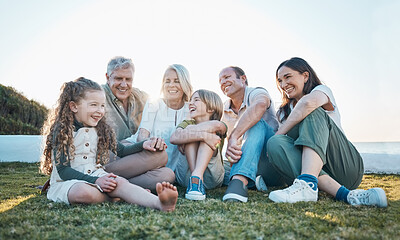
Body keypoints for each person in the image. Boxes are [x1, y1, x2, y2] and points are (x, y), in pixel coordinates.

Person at [39, 77, 178, 211]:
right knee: (82, 192)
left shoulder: (101, 129)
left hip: (97, 174)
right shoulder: (62, 130)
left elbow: (122, 150)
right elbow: (64, 171)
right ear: (74, 106)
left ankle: (160, 204)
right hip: (69, 182)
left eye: (102, 106)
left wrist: (142, 144)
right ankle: (120, 196)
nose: (100, 111)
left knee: (120, 183)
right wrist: (96, 181)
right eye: (93, 105)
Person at [267, 57, 387, 207]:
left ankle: (308, 181)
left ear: (305, 76)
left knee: (310, 110)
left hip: (344, 167)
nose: (283, 84)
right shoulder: (283, 113)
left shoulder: (321, 91)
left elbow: (308, 104)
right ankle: (340, 193)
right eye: (280, 81)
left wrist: (281, 132)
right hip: (316, 175)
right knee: (274, 143)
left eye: (288, 77)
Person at [102, 57, 175, 192]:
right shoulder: (98, 95)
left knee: (167, 175)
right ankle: (95, 176)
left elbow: (167, 101)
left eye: (128, 79)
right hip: (108, 155)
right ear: (107, 77)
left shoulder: (140, 97)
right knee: (161, 157)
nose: (124, 85)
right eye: (118, 78)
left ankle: (115, 186)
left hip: (132, 157)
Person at [218, 66, 284, 202]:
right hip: (246, 161)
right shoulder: (224, 109)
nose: (222, 82)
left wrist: (234, 136)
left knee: (256, 123)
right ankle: (253, 180)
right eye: (220, 81)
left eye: (226, 77)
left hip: (270, 160)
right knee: (215, 168)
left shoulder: (256, 92)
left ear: (243, 79)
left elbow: (260, 105)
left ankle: (239, 181)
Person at [125, 64, 193, 171]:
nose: (171, 85)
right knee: (110, 156)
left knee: (166, 176)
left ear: (185, 83)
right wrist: (151, 143)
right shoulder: (154, 103)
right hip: (139, 152)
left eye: (177, 81)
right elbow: (141, 136)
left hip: (164, 167)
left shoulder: (190, 109)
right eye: (167, 81)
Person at [170, 89, 227, 200]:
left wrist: (186, 135)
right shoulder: (187, 124)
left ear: (210, 108)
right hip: (186, 176)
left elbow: (217, 125)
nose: (190, 103)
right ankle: (195, 179)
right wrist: (203, 136)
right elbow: (174, 137)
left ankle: (197, 176)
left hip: (212, 177)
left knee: (192, 131)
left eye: (196, 100)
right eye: (191, 100)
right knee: (190, 130)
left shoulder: (220, 125)